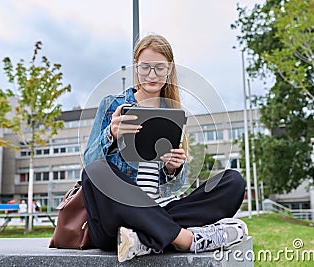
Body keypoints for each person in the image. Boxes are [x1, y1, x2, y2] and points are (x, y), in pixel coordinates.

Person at [82, 34, 247, 263]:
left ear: (169, 70)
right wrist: (110, 133)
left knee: (232, 181)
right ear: (136, 68)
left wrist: (173, 169)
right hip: (115, 221)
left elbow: (176, 187)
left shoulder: (174, 114)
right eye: (145, 67)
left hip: (161, 212)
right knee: (95, 171)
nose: (152, 75)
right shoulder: (112, 105)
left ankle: (144, 240)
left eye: (159, 68)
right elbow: (89, 163)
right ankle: (185, 239)